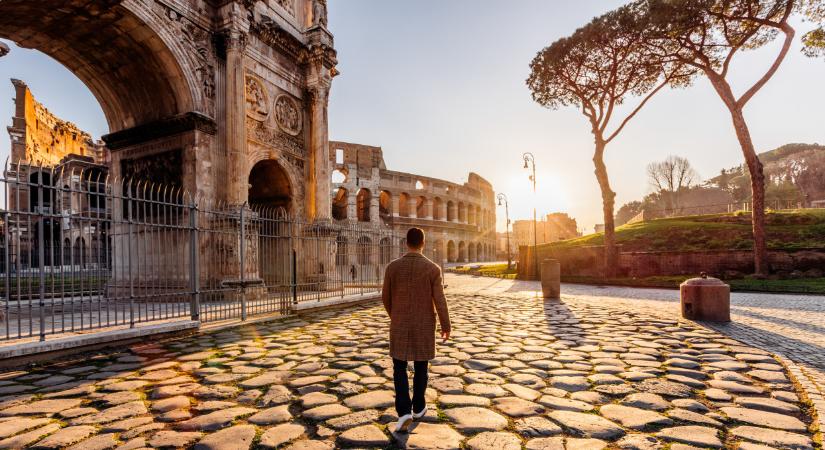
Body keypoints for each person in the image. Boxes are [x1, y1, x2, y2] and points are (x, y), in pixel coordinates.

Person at [381, 227, 451, 433]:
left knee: (399, 367)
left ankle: (403, 411)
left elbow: (386, 297)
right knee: (421, 365)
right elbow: (440, 300)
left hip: (399, 323)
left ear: (406, 243)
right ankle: (418, 407)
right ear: (423, 243)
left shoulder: (392, 267)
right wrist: (446, 325)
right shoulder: (433, 269)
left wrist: (395, 315)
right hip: (424, 323)